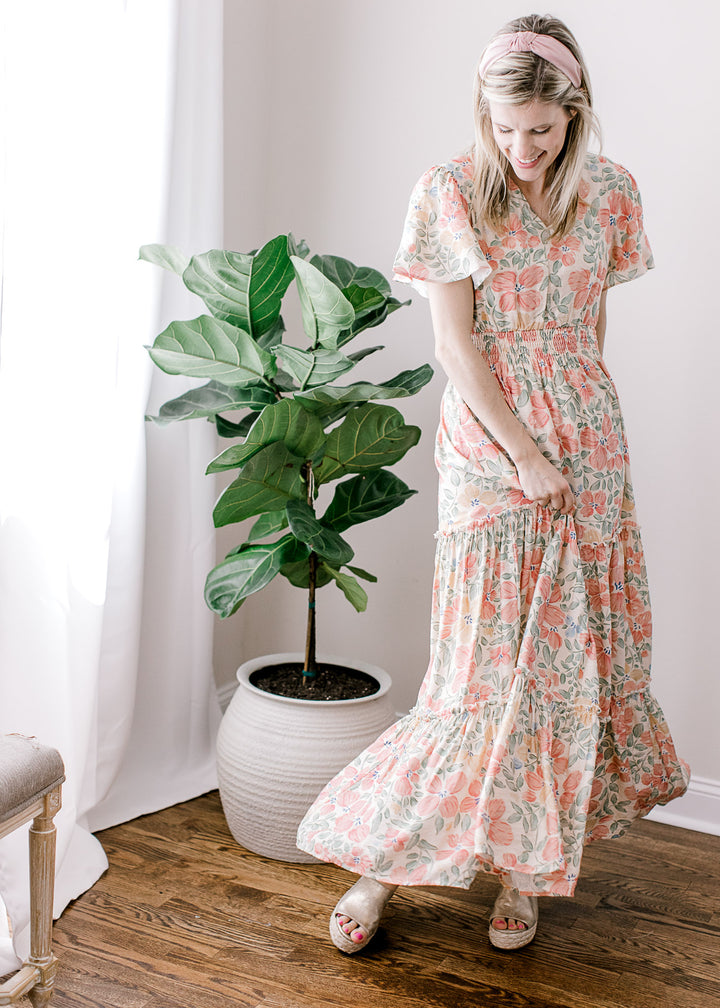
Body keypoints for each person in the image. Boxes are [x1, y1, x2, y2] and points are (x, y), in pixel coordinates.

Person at [296, 13, 690, 954]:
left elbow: (586, 336)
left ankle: (523, 876)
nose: (521, 148)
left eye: (541, 130)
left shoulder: (612, 194)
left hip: (589, 445)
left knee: (561, 675)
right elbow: (454, 349)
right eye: (505, 127)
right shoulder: (451, 192)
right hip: (491, 451)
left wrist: (577, 444)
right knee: (472, 679)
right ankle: (377, 873)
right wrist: (523, 453)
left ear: (574, 113)